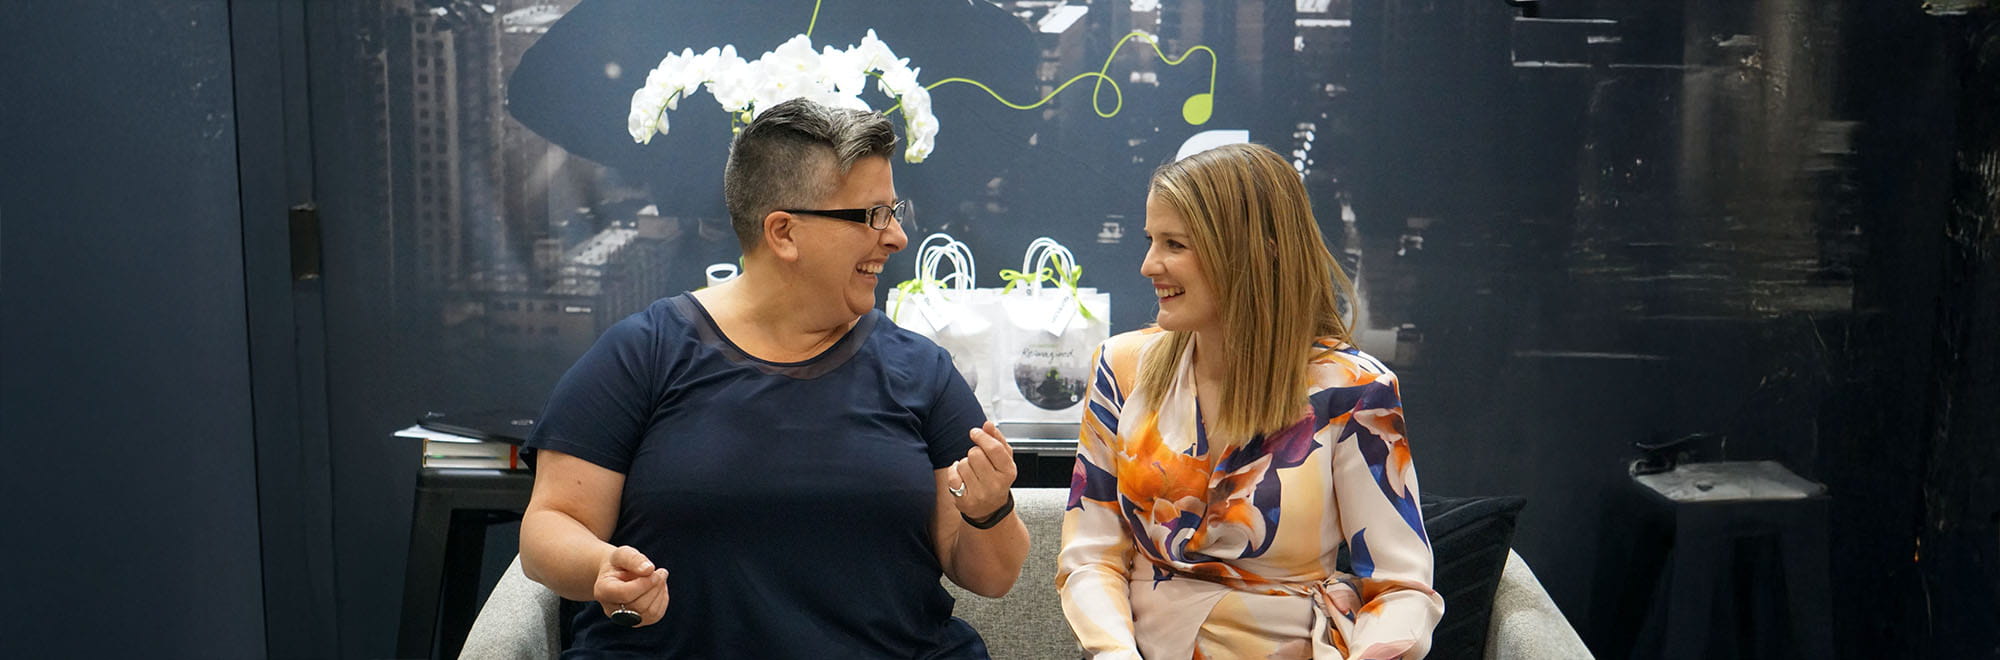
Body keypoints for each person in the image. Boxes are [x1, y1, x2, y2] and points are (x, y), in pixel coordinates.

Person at [518, 98, 1029, 658]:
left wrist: (989, 509)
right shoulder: (647, 352)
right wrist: (600, 567)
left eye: (895, 211)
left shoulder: (921, 369)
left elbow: (993, 577)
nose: (896, 237)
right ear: (784, 232)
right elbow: (549, 529)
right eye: (873, 215)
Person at [1056, 143, 1444, 660]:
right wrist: (1114, 653)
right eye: (1152, 240)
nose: (1149, 264)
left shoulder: (1354, 390)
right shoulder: (1121, 368)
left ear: (1257, 251)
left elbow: (1400, 591)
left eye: (1175, 244)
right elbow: (1090, 558)